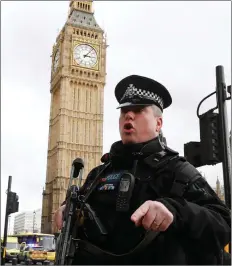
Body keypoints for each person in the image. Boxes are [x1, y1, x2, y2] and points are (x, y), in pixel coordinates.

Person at [54, 75, 231, 265]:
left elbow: (224, 223)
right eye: (124, 112)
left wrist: (174, 210)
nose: (129, 116)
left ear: (158, 123)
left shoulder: (177, 171)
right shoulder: (99, 174)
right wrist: (66, 210)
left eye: (138, 110)